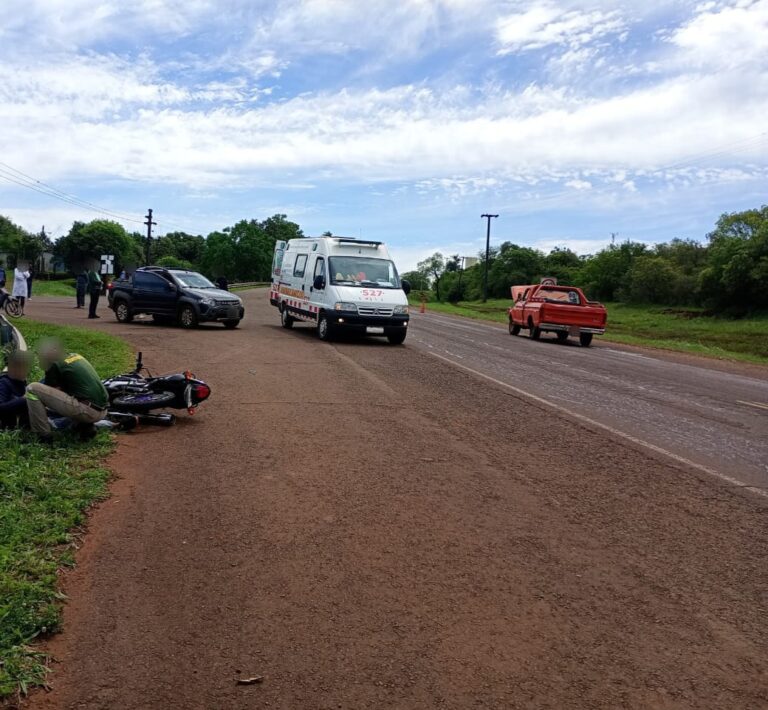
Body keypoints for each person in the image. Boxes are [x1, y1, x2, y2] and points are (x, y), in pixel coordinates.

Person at [26, 338, 108, 440]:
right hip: (103, 410)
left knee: (32, 389)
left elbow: (53, 395)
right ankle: (86, 427)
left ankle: (43, 434)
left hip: (87, 411)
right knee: (75, 393)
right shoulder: (76, 356)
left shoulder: (53, 364)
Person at [0, 349, 31, 429]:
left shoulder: (21, 382)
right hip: (8, 426)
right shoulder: (4, 383)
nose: (25, 370)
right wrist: (23, 399)